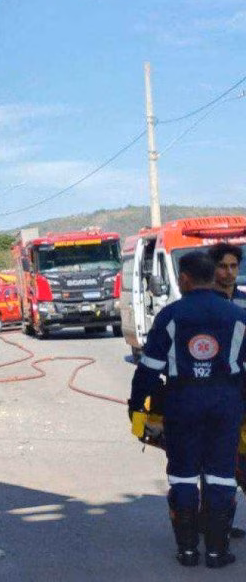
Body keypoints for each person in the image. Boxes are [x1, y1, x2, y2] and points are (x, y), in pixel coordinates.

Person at [128, 251, 246, 568]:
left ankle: (188, 551)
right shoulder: (238, 316)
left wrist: (136, 405)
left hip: (182, 406)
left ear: (184, 279)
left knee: (183, 477)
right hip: (226, 406)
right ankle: (218, 552)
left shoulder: (170, 315)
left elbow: (149, 370)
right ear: (213, 277)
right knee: (222, 477)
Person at [208, 242, 246, 539]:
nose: (229, 272)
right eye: (223, 266)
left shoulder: (245, 302)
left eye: (234, 266)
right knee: (217, 465)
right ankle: (214, 524)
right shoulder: (202, 303)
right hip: (212, 394)